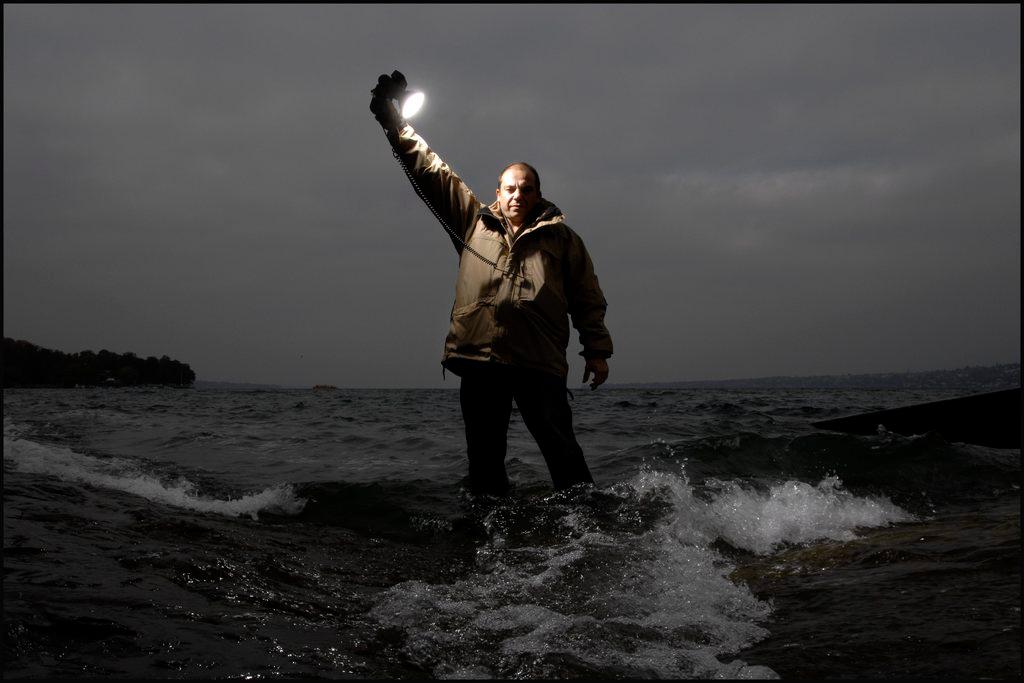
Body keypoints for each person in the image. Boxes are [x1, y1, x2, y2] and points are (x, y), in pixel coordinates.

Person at [370, 70, 613, 496]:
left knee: (563, 453)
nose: (518, 194)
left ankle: (589, 527)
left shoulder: (563, 240)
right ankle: (488, 536)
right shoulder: (472, 223)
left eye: (527, 188)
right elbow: (431, 169)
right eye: (510, 188)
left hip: (539, 362)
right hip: (480, 360)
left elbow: (587, 298)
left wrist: (596, 351)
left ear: (538, 194)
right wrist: (393, 120)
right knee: (484, 459)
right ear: (497, 193)